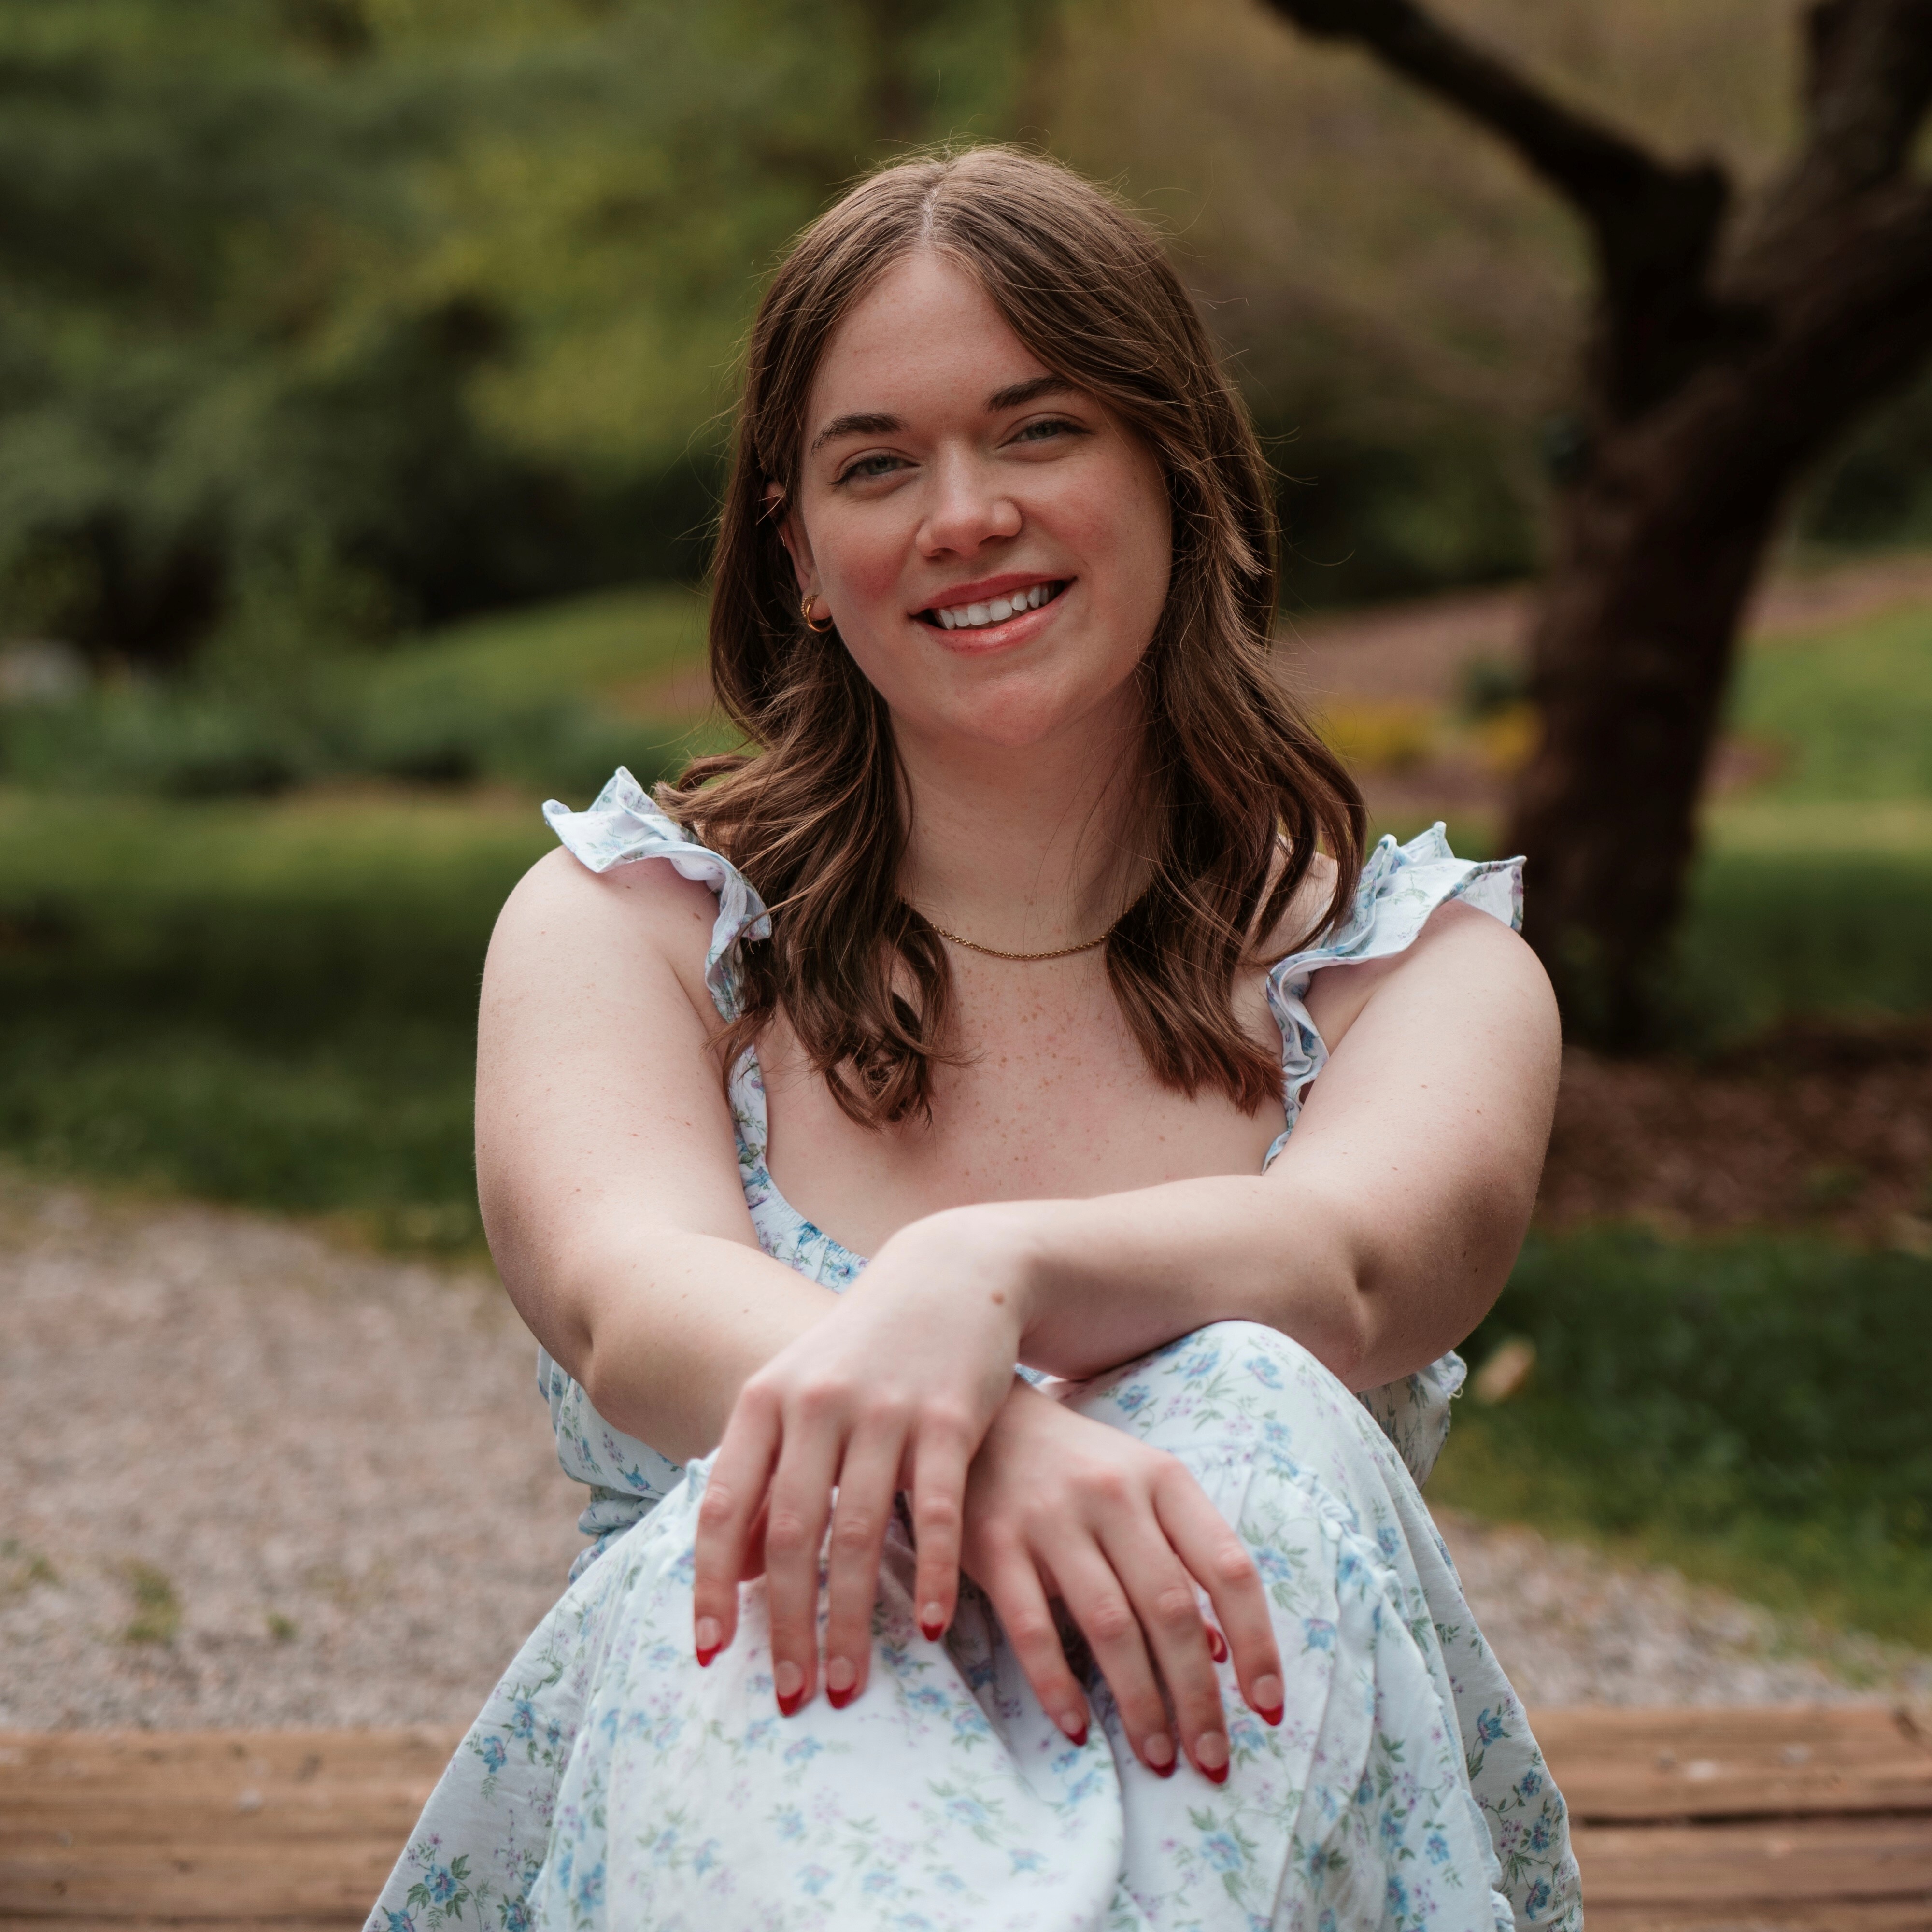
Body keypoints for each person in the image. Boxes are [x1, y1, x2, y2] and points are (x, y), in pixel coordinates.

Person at [370, 145, 1581, 1932]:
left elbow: (1352, 1263)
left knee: (1248, 1394)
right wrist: (987, 1436)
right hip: (761, 1799)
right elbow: (632, 1299)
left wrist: (981, 1276)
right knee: (798, 1505)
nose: (963, 515)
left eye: (1038, 432)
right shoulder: (629, 933)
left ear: (1179, 468)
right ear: (796, 549)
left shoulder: (1407, 967)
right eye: (878, 464)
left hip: (1247, 1816)